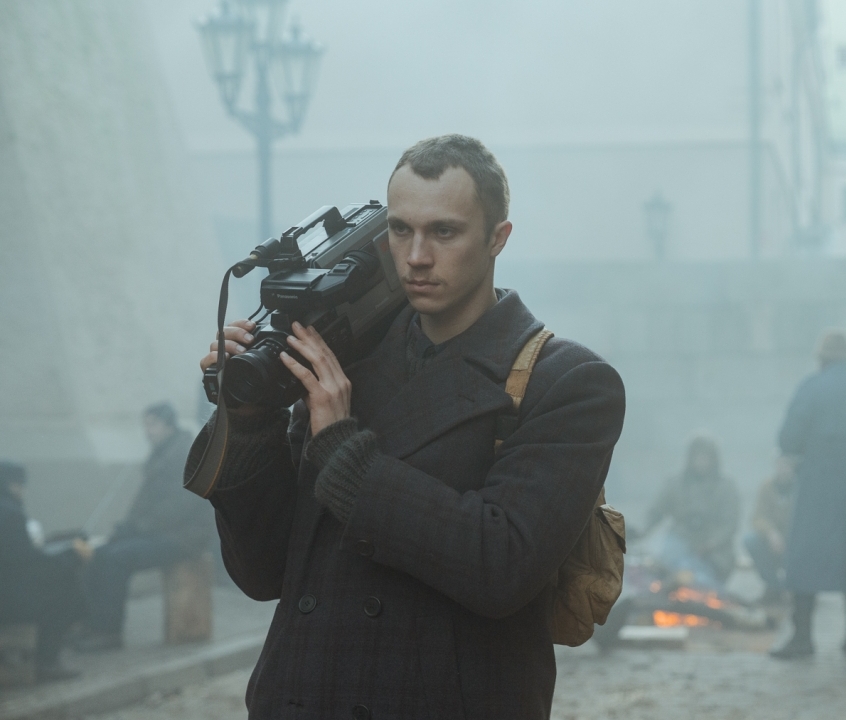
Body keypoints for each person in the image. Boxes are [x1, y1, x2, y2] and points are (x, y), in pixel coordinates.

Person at [187, 135, 625, 718]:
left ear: (498, 238)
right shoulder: (345, 361)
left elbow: (502, 567)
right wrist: (250, 422)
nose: (416, 256)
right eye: (400, 230)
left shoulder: (567, 381)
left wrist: (343, 452)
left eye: (444, 232)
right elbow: (264, 572)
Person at [771, 331, 846, 659]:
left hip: (817, 483)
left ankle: (803, 638)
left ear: (821, 358)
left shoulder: (812, 386)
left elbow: (789, 437)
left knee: (804, 558)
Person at [78, 402, 211, 651]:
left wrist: (137, 528)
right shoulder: (162, 452)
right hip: (161, 532)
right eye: (146, 425)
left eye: (153, 425)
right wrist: (126, 527)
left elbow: (177, 507)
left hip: (183, 538)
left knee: (116, 559)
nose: (147, 431)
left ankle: (109, 632)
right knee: (100, 553)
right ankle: (93, 625)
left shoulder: (185, 454)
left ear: (169, 425)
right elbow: (144, 503)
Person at [0, 461, 90, 681]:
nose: (23, 490)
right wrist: (69, 557)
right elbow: (25, 562)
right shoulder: (9, 512)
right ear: (12, 484)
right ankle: (46, 662)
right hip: (6, 601)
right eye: (21, 485)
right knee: (65, 593)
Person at [644, 436, 740, 591]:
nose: (701, 461)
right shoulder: (675, 484)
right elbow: (656, 512)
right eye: (698, 456)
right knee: (667, 561)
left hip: (715, 552)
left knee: (704, 583)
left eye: (705, 457)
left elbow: (730, 524)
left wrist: (710, 544)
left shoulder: (726, 487)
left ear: (713, 459)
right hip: (681, 544)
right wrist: (642, 530)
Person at [743, 457, 796, 604]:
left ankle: (797, 590)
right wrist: (771, 533)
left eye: (788, 465)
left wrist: (789, 538)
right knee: (750, 540)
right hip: (772, 541)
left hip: (796, 542)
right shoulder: (767, 487)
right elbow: (757, 517)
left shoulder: (801, 488)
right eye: (781, 464)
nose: (784, 469)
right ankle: (774, 587)